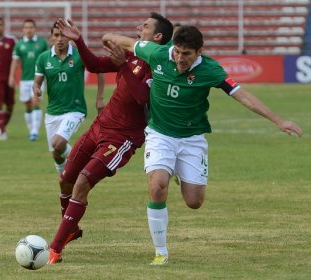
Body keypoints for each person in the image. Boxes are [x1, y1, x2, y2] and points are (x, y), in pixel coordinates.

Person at [102, 25, 303, 265]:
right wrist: (106, 38)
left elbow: (244, 97)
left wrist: (278, 120)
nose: (179, 58)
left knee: (194, 202)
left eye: (186, 54)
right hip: (160, 134)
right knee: (157, 186)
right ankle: (161, 252)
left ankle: (176, 170)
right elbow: (123, 41)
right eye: (177, 51)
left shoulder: (211, 70)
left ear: (199, 52)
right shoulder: (157, 54)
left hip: (192, 139)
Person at [46, 13, 173, 265]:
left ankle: (53, 249)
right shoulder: (132, 55)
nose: (138, 27)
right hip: (99, 127)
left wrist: (123, 66)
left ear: (157, 37)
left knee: (82, 182)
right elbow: (93, 65)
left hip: (123, 137)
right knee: (66, 180)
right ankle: (70, 227)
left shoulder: (161, 67)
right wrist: (79, 41)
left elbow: (141, 98)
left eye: (145, 26)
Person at [33, 21, 105, 175]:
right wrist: (36, 89)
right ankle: (64, 174)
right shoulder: (43, 58)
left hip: (75, 109)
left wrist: (99, 98)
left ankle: (81, 166)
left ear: (69, 38)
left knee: (58, 143)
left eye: (63, 35)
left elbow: (99, 70)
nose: (60, 39)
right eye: (56, 35)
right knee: (56, 152)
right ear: (51, 38)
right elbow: (36, 82)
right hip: (52, 112)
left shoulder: (79, 56)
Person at [8, 19, 48, 141]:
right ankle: (31, 129)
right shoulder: (19, 45)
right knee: (27, 105)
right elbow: (15, 62)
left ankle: (35, 132)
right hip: (24, 79)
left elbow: (47, 60)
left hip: (38, 79)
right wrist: (11, 76)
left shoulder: (42, 43)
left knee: (35, 102)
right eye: (26, 27)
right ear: (23, 29)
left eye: (31, 27)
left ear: (35, 29)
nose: (29, 29)